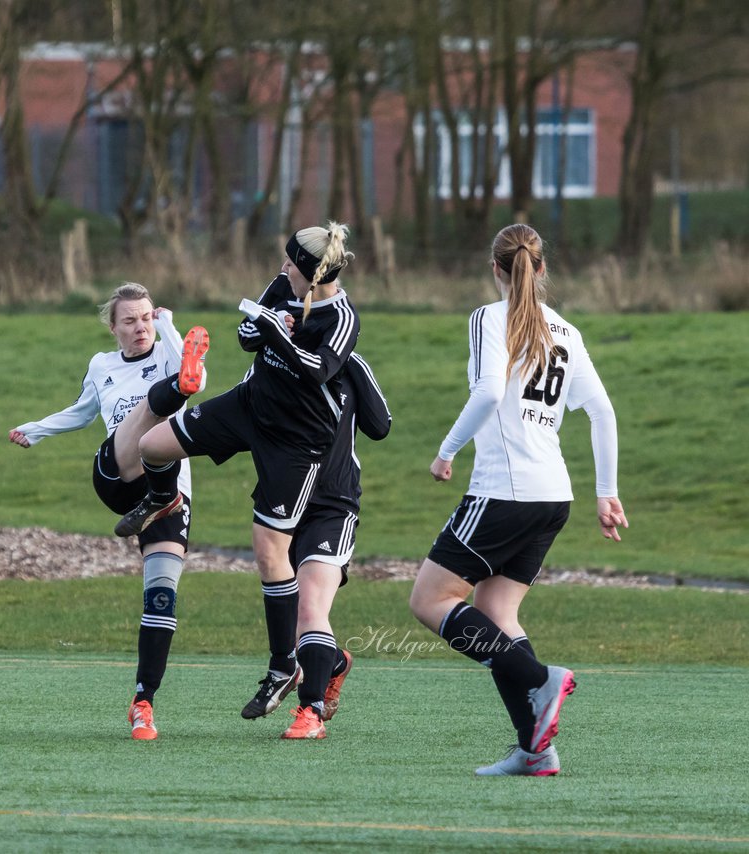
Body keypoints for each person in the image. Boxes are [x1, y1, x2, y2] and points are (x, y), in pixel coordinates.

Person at [115, 223, 359, 722]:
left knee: (269, 550)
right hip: (249, 404)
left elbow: (319, 368)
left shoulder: (341, 317)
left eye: (292, 264)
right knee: (152, 446)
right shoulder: (284, 283)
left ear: (313, 275)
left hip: (295, 440)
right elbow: (247, 332)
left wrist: (277, 333)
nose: (283, 268)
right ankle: (164, 498)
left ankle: (282, 665)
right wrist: (265, 327)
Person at [408, 223, 627, 776]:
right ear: (542, 268)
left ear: (496, 269)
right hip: (554, 496)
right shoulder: (568, 332)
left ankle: (539, 680)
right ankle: (536, 750)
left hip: (505, 491)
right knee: (496, 611)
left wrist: (445, 451)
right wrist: (608, 493)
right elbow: (602, 412)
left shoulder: (489, 317)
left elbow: (488, 392)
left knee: (429, 601)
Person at [9, 282, 209, 740]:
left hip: (170, 494)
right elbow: (81, 413)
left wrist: (172, 327)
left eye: (146, 318)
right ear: (113, 328)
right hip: (117, 477)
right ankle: (166, 428)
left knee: (161, 596)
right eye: (130, 321)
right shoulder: (102, 365)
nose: (140, 327)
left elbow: (193, 373)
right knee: (147, 423)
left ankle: (143, 703)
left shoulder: (168, 349)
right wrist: (35, 430)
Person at [280, 352, 391, 739]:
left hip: (332, 506)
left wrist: (348, 372)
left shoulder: (350, 363)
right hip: (279, 509)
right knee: (293, 621)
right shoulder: (270, 361)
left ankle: (310, 713)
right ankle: (334, 666)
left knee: (311, 606)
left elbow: (381, 426)